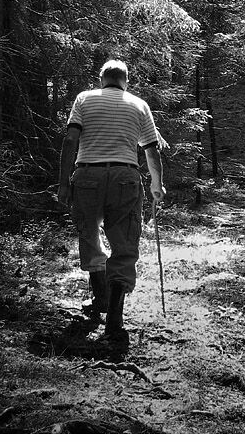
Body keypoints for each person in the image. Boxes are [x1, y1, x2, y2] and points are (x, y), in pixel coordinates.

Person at [58, 59, 165, 346]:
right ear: (125, 80)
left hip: (87, 175)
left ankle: (100, 298)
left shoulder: (84, 99)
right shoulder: (139, 105)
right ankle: (114, 320)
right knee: (124, 244)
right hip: (124, 177)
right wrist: (157, 184)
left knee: (89, 235)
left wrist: (63, 183)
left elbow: (70, 140)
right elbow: (151, 151)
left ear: (101, 79)